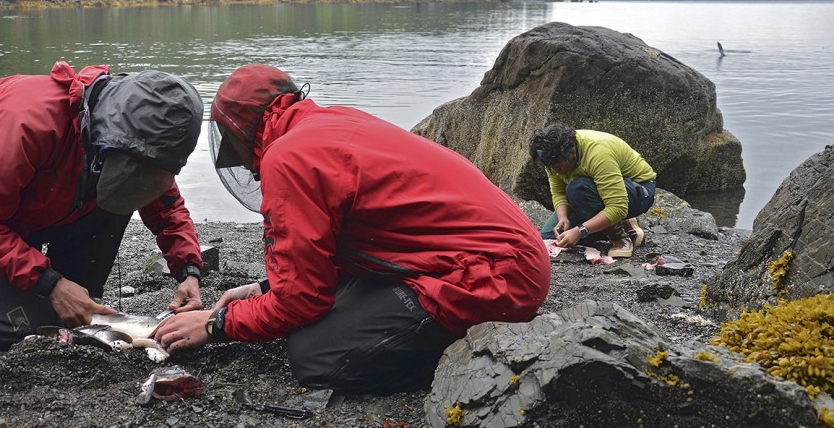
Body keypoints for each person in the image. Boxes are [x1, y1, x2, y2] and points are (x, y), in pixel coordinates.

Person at [153, 64, 551, 394]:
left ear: (240, 133)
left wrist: (214, 324)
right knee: (313, 317)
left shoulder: (289, 158)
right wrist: (263, 289)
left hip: (496, 274)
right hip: (497, 255)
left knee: (316, 357)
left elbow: (302, 301)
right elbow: (342, 245)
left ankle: (471, 359)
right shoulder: (328, 123)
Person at [0, 60, 206, 350]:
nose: (143, 170)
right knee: (28, 332)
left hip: (45, 211)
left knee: (78, 319)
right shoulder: (27, 121)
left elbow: (166, 206)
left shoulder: (140, 141)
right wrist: (52, 284)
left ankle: (6, 284)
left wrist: (189, 272)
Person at [528, 123, 657, 258]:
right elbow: (558, 192)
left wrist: (581, 231)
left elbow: (618, 206)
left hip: (638, 189)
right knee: (549, 238)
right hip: (595, 190)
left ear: (572, 154)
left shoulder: (598, 154)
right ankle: (622, 223)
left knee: (578, 189)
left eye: (558, 166)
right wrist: (563, 218)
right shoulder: (552, 156)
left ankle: (619, 237)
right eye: (550, 167)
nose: (555, 171)